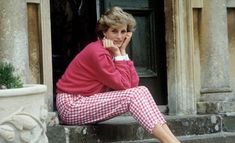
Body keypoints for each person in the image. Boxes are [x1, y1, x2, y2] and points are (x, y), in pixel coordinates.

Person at [56, 6, 181, 143]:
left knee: (142, 90)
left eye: (123, 31)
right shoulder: (97, 52)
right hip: (71, 105)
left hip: (86, 100)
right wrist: (117, 53)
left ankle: (173, 141)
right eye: (114, 31)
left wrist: (122, 51)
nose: (120, 36)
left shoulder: (110, 49)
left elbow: (133, 84)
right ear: (104, 32)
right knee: (133, 95)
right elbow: (124, 86)